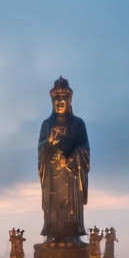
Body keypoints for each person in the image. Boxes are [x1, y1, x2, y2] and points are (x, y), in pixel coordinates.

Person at [37, 77, 90, 242]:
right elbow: (41, 147)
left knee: (70, 207)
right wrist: (49, 145)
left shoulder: (78, 123)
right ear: (52, 100)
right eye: (57, 98)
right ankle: (53, 235)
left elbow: (84, 146)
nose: (60, 101)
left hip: (70, 174)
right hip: (52, 176)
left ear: (69, 99)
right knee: (54, 207)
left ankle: (71, 236)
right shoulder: (46, 124)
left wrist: (72, 157)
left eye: (64, 97)